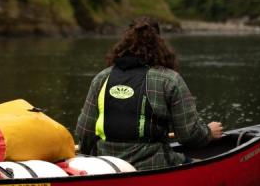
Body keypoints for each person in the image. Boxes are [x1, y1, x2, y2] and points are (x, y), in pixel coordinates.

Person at [74, 17, 223, 170]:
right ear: (160, 44)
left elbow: (85, 132)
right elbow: (189, 136)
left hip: (108, 165)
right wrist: (208, 132)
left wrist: (89, 157)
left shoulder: (102, 78)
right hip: (154, 164)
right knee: (200, 163)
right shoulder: (170, 80)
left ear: (125, 43)